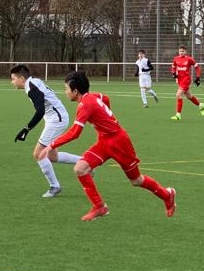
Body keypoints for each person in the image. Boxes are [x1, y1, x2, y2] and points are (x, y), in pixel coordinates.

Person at [38, 71, 176, 221]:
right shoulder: (92, 97)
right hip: (104, 141)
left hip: (120, 142)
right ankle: (99, 207)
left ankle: (167, 195)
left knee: (136, 180)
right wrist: (105, 119)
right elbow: (106, 98)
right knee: (80, 168)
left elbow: (75, 133)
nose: (65, 92)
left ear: (75, 91)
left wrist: (51, 145)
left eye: (66, 89)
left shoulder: (85, 105)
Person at [10, 64, 84, 198]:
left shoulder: (31, 88)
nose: (12, 82)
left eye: (13, 79)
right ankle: (86, 162)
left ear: (21, 79)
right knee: (52, 156)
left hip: (56, 120)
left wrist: (26, 129)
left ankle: (55, 186)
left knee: (38, 154)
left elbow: (40, 111)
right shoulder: (34, 81)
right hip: (56, 117)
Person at [170, 45, 204, 121]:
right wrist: (173, 73)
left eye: (183, 51)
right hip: (180, 80)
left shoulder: (189, 59)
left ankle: (178, 115)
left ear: (186, 52)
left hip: (186, 80)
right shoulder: (176, 59)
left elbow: (197, 67)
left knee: (178, 95)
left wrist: (198, 77)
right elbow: (173, 66)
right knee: (189, 96)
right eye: (180, 51)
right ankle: (200, 105)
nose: (181, 52)